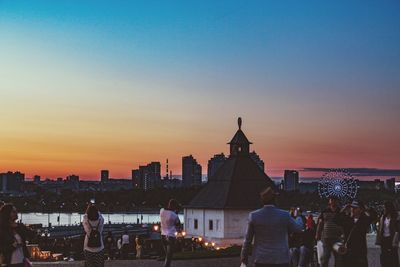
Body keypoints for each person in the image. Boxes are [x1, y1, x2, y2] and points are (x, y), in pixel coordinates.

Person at [241, 186, 303, 267]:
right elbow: (298, 228)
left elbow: (248, 240)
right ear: (275, 200)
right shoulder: (284, 215)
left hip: (261, 259)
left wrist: (243, 255)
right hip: (281, 259)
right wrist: (298, 216)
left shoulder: (253, 216)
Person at [334, 200, 376, 267]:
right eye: (352, 207)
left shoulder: (364, 220)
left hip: (360, 250)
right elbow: (335, 219)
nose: (352, 209)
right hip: (348, 250)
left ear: (361, 210)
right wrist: (343, 209)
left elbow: (374, 216)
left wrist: (366, 208)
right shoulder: (347, 219)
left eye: (355, 208)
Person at [316, 196, 343, 267]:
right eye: (331, 200)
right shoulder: (325, 211)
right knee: (326, 256)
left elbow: (344, 224)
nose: (333, 202)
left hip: (337, 238)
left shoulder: (341, 212)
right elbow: (320, 223)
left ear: (337, 201)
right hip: (326, 238)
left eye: (334, 200)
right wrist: (317, 234)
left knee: (338, 257)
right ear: (329, 201)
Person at [376, 201, 400, 267]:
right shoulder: (383, 217)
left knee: (393, 256)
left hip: (392, 238)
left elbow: (398, 228)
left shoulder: (395, 217)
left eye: (385, 207)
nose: (384, 209)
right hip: (384, 239)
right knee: (384, 256)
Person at [160, 199, 181, 267]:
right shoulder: (174, 215)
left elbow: (164, 208)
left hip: (163, 235)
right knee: (169, 256)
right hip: (171, 236)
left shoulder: (161, 211)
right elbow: (178, 225)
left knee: (167, 255)